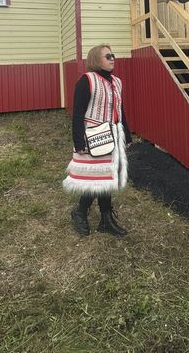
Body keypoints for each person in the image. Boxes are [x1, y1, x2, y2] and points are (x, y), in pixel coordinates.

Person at [63, 44, 132, 237]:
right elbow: (77, 114)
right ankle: (80, 212)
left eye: (113, 55)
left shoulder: (117, 82)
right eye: (107, 56)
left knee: (106, 178)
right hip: (92, 137)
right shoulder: (87, 80)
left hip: (112, 137)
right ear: (96, 59)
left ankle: (106, 219)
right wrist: (78, 142)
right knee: (95, 179)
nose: (112, 58)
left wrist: (127, 134)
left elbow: (120, 110)